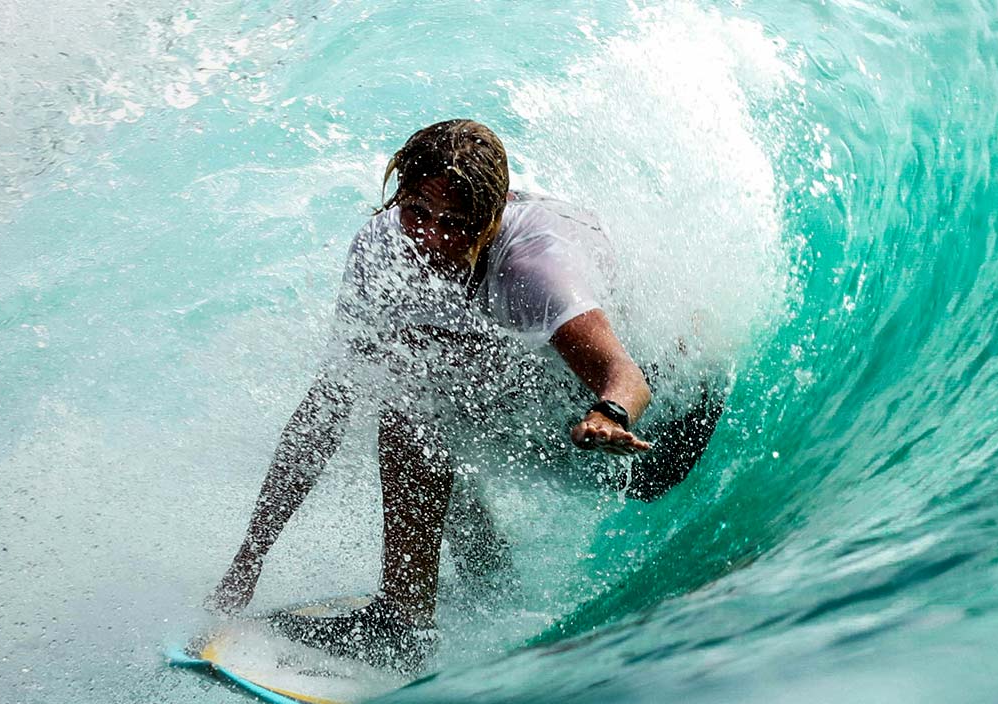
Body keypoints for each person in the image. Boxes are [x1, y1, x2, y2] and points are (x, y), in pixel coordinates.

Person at [203, 119, 720, 671]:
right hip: (557, 413)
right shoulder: (383, 248)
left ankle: (410, 617)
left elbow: (626, 374)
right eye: (417, 212)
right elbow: (325, 410)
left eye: (454, 223)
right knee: (407, 377)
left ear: (492, 217)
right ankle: (471, 585)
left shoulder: (534, 266)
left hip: (657, 438)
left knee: (418, 398)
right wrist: (251, 557)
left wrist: (609, 414)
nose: (429, 238)